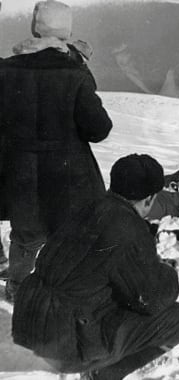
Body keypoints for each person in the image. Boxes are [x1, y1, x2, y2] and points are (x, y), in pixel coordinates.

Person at [12, 154, 179, 380]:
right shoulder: (128, 227)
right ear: (149, 199)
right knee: (175, 319)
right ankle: (104, 374)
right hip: (64, 345)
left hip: (28, 321)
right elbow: (151, 300)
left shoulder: (85, 206)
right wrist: (167, 272)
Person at [0, 0, 112, 300]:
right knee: (68, 234)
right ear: (67, 31)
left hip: (19, 171)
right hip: (67, 173)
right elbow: (99, 129)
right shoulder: (74, 72)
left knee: (24, 235)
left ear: (34, 27)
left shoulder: (4, 70)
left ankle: (17, 287)